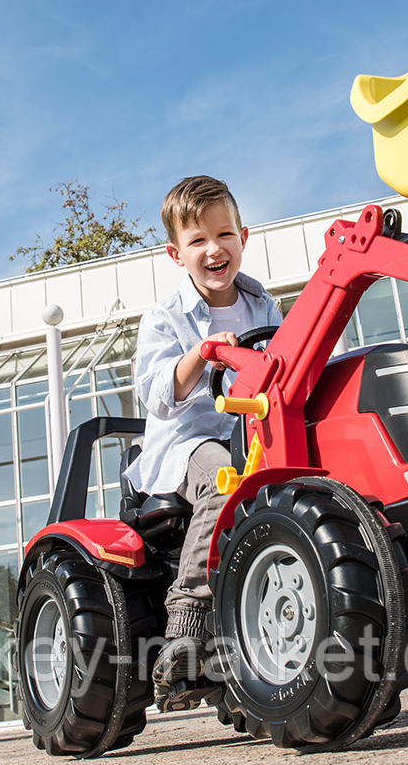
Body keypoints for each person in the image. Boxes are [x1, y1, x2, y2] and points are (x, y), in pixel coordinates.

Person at [124, 175, 282, 707]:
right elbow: (155, 394)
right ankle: (187, 617)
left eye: (223, 234)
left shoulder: (265, 306)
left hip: (256, 431)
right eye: (197, 241)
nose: (213, 250)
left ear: (244, 235)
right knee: (225, 480)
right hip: (191, 442)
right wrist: (201, 355)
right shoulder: (165, 317)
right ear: (176, 253)